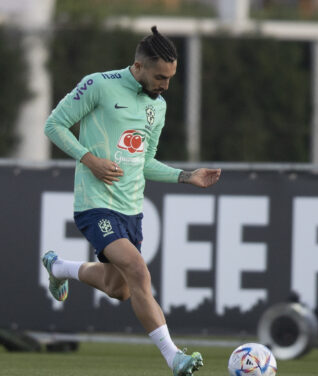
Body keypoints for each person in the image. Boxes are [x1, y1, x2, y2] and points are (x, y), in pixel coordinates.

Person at [42, 26, 220, 376]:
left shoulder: (158, 107)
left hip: (131, 210)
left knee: (118, 289)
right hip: (95, 204)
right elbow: (54, 125)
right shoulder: (99, 85)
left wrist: (186, 176)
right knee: (139, 270)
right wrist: (88, 158)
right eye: (159, 77)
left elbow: (145, 162)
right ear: (138, 66)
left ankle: (58, 267)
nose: (165, 85)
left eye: (170, 78)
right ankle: (175, 358)